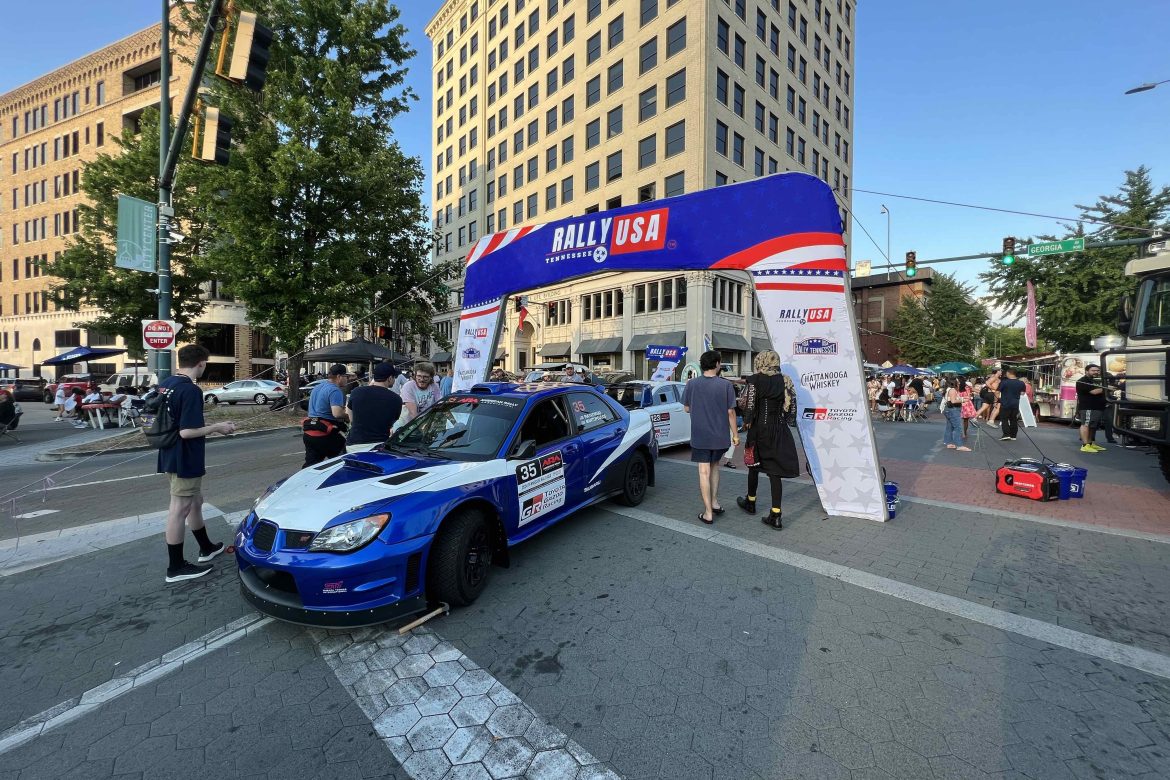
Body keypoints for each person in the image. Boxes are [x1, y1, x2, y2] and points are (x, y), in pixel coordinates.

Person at [156, 344, 236, 583]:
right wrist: (217, 427)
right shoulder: (190, 390)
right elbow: (187, 432)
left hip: (169, 453)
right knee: (179, 509)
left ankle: (206, 547)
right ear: (201, 363)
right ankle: (175, 567)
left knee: (195, 502)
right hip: (185, 457)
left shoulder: (167, 384)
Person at [735, 351, 799, 529]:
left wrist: (747, 421)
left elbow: (749, 404)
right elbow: (792, 407)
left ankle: (751, 502)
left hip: (759, 429)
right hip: (779, 429)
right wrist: (787, 421)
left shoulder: (756, 380)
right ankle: (776, 515)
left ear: (760, 362)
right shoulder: (785, 380)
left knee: (753, 465)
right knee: (775, 472)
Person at [682, 350, 739, 525]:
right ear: (717, 364)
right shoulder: (726, 385)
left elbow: (686, 408)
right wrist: (735, 435)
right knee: (714, 467)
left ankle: (708, 513)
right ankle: (714, 502)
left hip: (700, 435)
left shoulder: (692, 384)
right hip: (720, 436)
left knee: (703, 471)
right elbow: (731, 412)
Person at [346, 362, 404, 447]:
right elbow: (393, 422)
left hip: (353, 445)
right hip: (379, 445)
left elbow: (350, 416)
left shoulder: (356, 392)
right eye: (394, 377)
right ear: (389, 378)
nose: (395, 380)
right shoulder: (396, 399)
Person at [303, 363, 350, 467]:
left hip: (309, 432)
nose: (347, 379)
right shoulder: (335, 390)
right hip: (326, 434)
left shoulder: (317, 387)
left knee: (311, 466)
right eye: (346, 376)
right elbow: (337, 414)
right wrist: (349, 416)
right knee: (343, 460)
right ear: (339, 376)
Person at [1076, 364, 1108, 453]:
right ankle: (1085, 445)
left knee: (1093, 426)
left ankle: (1090, 443)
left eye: (1097, 371)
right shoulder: (1083, 381)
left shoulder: (1095, 381)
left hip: (1097, 407)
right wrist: (1107, 388)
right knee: (1086, 424)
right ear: (1087, 371)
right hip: (1088, 407)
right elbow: (1094, 392)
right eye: (1093, 370)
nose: (1096, 372)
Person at [997, 368, 1026, 441]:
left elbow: (997, 392)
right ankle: (1013, 435)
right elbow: (1022, 393)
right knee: (1013, 419)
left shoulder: (1004, 382)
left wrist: (995, 401)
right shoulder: (1021, 383)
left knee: (1004, 419)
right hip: (1015, 403)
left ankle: (1006, 434)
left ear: (1009, 373)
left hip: (1005, 403)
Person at [942, 379, 970, 451]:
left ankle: (948, 442)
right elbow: (953, 401)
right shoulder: (952, 390)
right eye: (958, 382)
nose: (959, 383)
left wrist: (962, 398)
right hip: (953, 409)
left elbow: (951, 399)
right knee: (957, 427)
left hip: (949, 409)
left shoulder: (949, 389)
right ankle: (959, 445)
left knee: (949, 426)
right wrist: (963, 400)